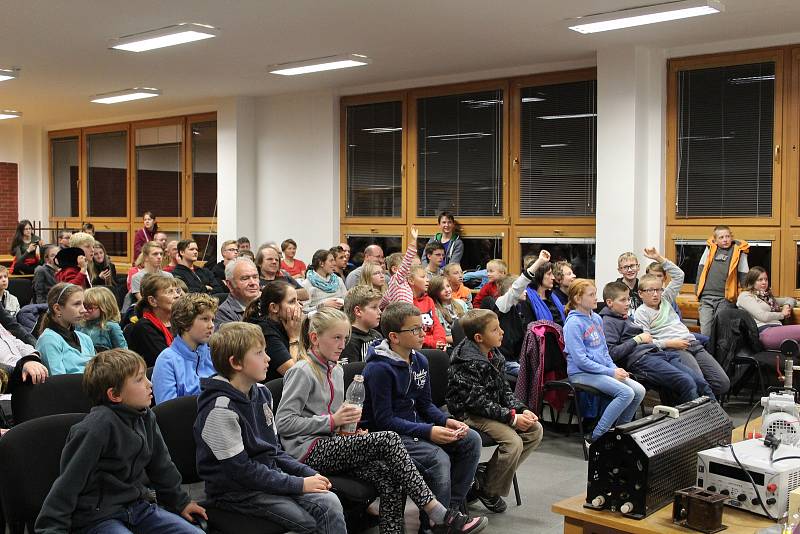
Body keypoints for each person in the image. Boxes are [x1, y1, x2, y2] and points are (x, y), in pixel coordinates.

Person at [277, 308, 488, 534]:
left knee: (391, 476)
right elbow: (284, 423)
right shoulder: (302, 371)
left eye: (345, 338)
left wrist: (346, 430)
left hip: (331, 445)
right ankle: (438, 513)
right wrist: (332, 421)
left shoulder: (336, 370)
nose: (342, 344)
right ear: (314, 338)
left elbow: (333, 421)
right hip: (306, 451)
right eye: (336, 338)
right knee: (388, 439)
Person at [194, 322, 346, 533]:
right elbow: (242, 472)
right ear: (236, 363)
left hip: (266, 478)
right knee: (308, 522)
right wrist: (298, 484)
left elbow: (274, 450)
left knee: (329, 501)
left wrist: (309, 474)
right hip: (235, 492)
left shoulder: (262, 393)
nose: (268, 358)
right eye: (259, 353)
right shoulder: (220, 410)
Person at [36, 349, 207, 534]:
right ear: (115, 395)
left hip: (138, 508)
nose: (149, 384)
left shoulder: (145, 416)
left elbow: (161, 466)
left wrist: (180, 502)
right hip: (98, 518)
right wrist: (51, 529)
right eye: (140, 379)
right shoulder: (95, 429)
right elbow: (67, 485)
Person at [362, 302, 483, 521]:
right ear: (394, 337)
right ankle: (433, 524)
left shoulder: (420, 360)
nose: (422, 333)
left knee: (471, 440)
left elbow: (425, 405)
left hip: (417, 428)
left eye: (422, 327)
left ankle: (449, 513)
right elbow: (383, 420)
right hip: (389, 436)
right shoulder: (379, 368)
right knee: (438, 459)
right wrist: (429, 431)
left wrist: (446, 421)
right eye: (415, 329)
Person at [446, 309, 542, 513]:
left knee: (535, 429)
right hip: (468, 413)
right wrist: (512, 419)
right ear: (479, 337)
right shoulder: (468, 361)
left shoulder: (493, 352)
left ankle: (486, 477)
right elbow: (476, 403)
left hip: (489, 409)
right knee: (513, 442)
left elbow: (503, 389)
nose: (502, 332)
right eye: (495, 329)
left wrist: (521, 409)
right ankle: (489, 489)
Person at [634, 253, 731, 398]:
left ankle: (695, 402)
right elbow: (647, 343)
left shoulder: (666, 299)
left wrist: (659, 258)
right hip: (675, 349)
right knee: (698, 383)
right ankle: (699, 412)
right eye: (650, 291)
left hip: (692, 343)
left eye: (658, 290)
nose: (655, 294)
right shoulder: (641, 313)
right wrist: (670, 343)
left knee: (722, 383)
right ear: (640, 294)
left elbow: (679, 275)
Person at [601, 280, 713, 404]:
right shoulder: (608, 322)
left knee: (700, 382)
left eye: (628, 299)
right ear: (610, 303)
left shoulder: (626, 317)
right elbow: (612, 353)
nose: (628, 303)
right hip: (640, 360)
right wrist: (637, 339)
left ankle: (717, 418)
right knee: (686, 382)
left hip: (657, 353)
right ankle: (694, 421)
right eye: (623, 300)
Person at [564, 279, 646, 444]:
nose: (596, 298)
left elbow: (604, 352)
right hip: (581, 373)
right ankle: (596, 437)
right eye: (591, 295)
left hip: (600, 370)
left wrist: (615, 369)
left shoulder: (596, 319)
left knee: (639, 390)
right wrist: (610, 372)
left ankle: (619, 434)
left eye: (595, 294)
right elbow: (580, 361)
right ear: (577, 299)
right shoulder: (573, 324)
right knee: (626, 393)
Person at [152, 293, 217, 404]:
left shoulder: (214, 354)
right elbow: (166, 410)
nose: (211, 325)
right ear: (185, 323)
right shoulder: (167, 360)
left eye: (213, 320)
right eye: (205, 319)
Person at [696, 225, 750, 336]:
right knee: (705, 331)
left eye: (727, 236)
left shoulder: (739, 251)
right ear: (715, 240)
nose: (725, 239)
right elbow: (701, 268)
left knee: (720, 330)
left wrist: (745, 295)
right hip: (706, 297)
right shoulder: (710, 249)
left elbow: (744, 274)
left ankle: (718, 353)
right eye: (721, 237)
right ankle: (706, 353)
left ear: (731, 237)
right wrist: (698, 291)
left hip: (724, 298)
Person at [244, 280, 301, 381]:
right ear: (274, 307)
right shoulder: (265, 332)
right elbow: (295, 375)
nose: (299, 306)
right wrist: (294, 338)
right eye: (292, 302)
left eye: (298, 301)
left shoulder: (287, 324)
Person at [35, 283, 96, 375]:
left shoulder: (85, 339)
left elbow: (98, 375)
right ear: (58, 309)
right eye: (77, 304)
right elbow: (59, 383)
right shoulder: (48, 340)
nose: (83, 310)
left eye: (83, 304)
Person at [737, 267, 799, 349]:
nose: (764, 282)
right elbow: (763, 316)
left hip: (777, 329)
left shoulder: (768, 298)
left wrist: (786, 306)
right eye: (760, 280)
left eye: (766, 279)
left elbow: (790, 299)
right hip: (764, 332)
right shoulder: (745, 296)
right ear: (751, 281)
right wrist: (782, 315)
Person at [126, 274, 180, 367]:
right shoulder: (144, 327)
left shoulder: (179, 321)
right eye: (170, 292)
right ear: (153, 301)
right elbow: (166, 361)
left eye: (177, 291)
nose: (177, 296)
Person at [214, 257, 261, 328]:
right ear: (230, 284)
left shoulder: (266, 305)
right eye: (245, 278)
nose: (253, 283)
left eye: (255, 277)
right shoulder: (223, 314)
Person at [341, 285, 383, 364]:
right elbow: (350, 373)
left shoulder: (377, 335)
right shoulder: (348, 340)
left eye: (379, 307)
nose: (380, 312)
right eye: (374, 307)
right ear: (358, 311)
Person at [0, 320, 49, 388]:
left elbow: (15, 342)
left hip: (24, 372)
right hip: (11, 383)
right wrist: (23, 364)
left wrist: (32, 357)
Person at [381, 226, 420, 309]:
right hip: (402, 315)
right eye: (407, 266)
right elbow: (408, 259)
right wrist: (414, 240)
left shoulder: (395, 284)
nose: (409, 268)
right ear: (395, 269)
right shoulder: (397, 279)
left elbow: (383, 301)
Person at [409, 265, 447, 350]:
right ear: (411, 281)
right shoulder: (408, 302)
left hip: (435, 343)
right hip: (419, 346)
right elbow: (413, 331)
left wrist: (440, 341)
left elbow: (436, 324)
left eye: (427, 277)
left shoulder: (429, 300)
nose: (427, 280)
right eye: (423, 277)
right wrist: (433, 344)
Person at [78, 286, 127, 351]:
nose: (84, 310)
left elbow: (123, 351)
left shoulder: (111, 327)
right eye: (83, 306)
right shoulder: (80, 325)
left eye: (90, 308)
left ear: (104, 308)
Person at [301, 249, 347, 313]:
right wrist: (323, 305)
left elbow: (347, 301)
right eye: (331, 261)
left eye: (334, 260)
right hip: (320, 319)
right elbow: (304, 310)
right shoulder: (307, 284)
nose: (334, 263)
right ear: (321, 263)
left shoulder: (338, 280)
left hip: (341, 316)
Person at [430, 276, 467, 346]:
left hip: (466, 339)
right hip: (450, 344)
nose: (447, 290)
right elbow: (440, 336)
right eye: (442, 289)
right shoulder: (436, 310)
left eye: (448, 286)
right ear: (435, 292)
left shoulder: (461, 303)